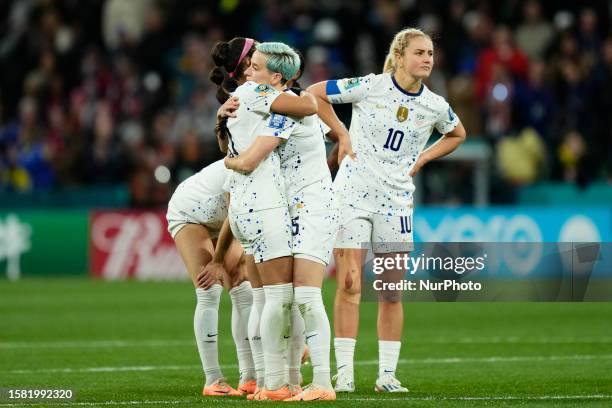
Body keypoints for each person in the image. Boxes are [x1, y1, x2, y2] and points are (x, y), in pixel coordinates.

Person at [307, 27, 466, 393]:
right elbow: (316, 94)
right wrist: (342, 135)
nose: (427, 58)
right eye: (419, 52)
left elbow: (458, 133)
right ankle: (344, 373)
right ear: (398, 56)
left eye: (430, 53)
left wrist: (425, 156)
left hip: (396, 203)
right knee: (349, 282)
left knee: (391, 291)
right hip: (352, 195)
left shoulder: (435, 105)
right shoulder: (371, 85)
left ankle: (387, 376)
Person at [223, 45, 340, 401]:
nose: (248, 73)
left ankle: (321, 382)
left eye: (255, 68)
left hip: (312, 208)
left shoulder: (284, 111)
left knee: (303, 295)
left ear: (276, 78)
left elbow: (250, 159)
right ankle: (287, 381)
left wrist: (230, 162)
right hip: (290, 208)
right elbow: (325, 129)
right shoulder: (277, 105)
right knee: (283, 298)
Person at [166, 37, 259, 397]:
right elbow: (238, 201)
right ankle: (213, 379)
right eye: (256, 54)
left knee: (242, 285)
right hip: (192, 208)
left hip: (226, 210)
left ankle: (249, 376)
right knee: (210, 286)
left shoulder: (252, 105)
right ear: (246, 65)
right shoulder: (245, 108)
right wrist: (218, 259)